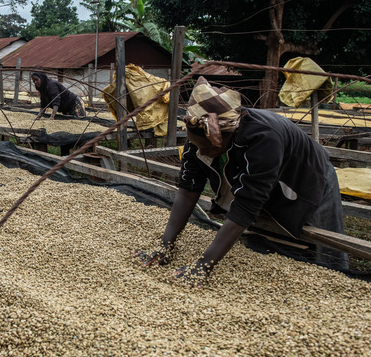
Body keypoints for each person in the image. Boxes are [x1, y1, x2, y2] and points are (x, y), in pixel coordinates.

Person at [136, 77, 347, 287]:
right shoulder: (198, 133)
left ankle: (337, 283)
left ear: (230, 136)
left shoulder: (264, 138)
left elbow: (247, 205)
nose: (202, 153)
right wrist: (166, 245)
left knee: (321, 249)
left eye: (209, 150)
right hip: (269, 182)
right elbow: (188, 188)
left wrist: (204, 264)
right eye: (197, 146)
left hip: (307, 178)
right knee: (268, 238)